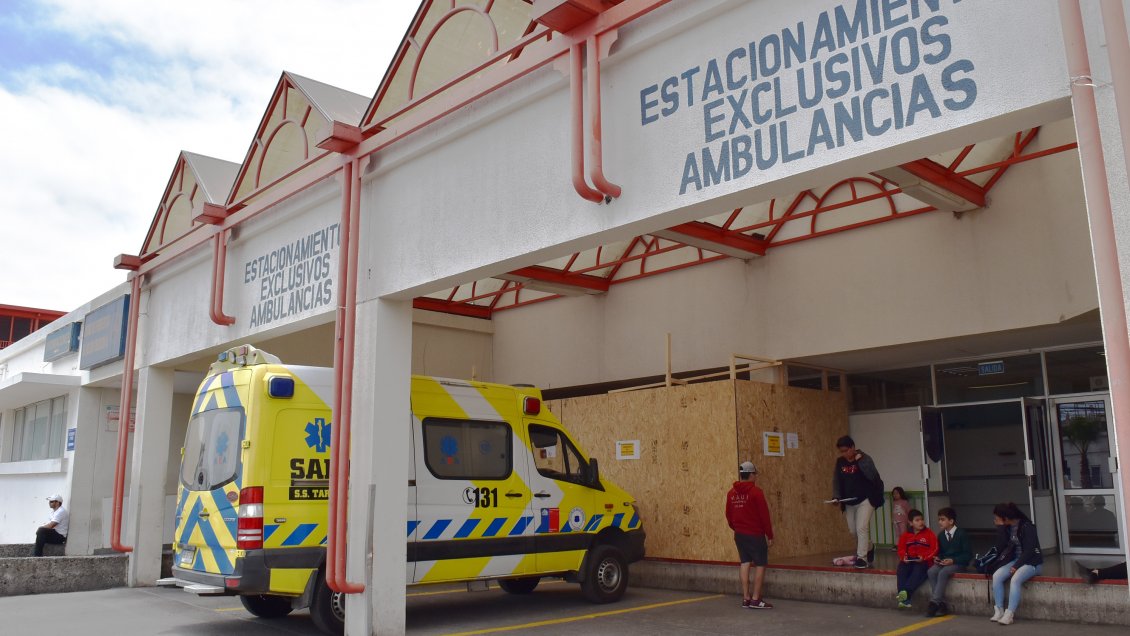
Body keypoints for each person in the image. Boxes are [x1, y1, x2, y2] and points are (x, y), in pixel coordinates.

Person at [827, 435, 884, 568]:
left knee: (861, 527)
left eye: (846, 450)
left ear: (853, 447)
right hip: (849, 501)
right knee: (853, 531)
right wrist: (836, 496)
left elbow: (872, 475)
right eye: (842, 451)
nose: (845, 454)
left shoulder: (865, 458)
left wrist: (860, 461)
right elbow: (837, 480)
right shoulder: (840, 462)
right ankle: (869, 546)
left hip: (866, 498)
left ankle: (861, 558)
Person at [725, 461, 774, 609]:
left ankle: (746, 598)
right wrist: (769, 534)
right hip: (755, 534)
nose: (756, 477)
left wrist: (736, 528)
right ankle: (756, 599)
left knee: (745, 562)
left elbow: (728, 515)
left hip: (739, 534)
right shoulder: (756, 492)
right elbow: (764, 516)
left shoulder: (731, 493)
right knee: (760, 564)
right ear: (751, 474)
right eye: (755, 474)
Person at [987, 502, 1043, 625]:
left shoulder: (1027, 527)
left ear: (1005, 518)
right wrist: (1001, 527)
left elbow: (1029, 551)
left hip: (1032, 562)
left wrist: (1016, 566)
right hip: (1016, 560)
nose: (995, 520)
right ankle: (999, 610)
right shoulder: (1008, 527)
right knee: (997, 576)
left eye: (997, 518)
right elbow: (1001, 545)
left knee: (1015, 579)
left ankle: (1009, 614)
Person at [926, 507, 972, 617]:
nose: (939, 522)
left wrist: (953, 560)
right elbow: (942, 552)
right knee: (931, 571)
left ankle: (935, 602)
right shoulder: (941, 535)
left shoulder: (961, 534)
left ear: (951, 521)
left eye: (942, 519)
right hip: (945, 562)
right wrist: (938, 558)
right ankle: (942, 604)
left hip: (959, 564)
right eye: (939, 519)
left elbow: (968, 554)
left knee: (943, 572)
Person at [895, 509, 938, 609]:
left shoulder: (929, 534)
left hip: (924, 561)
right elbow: (901, 549)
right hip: (909, 560)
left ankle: (905, 595)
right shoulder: (905, 535)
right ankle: (904, 599)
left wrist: (924, 557)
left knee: (918, 570)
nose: (921, 522)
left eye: (922, 519)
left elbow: (935, 549)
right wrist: (904, 557)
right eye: (917, 520)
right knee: (901, 569)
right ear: (910, 523)